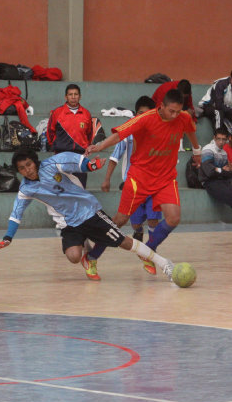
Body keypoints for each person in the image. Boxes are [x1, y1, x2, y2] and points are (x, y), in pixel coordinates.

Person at [0, 148, 174, 282]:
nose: (27, 170)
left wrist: (91, 165)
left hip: (89, 211)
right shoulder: (26, 188)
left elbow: (76, 162)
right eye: (22, 168)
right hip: (69, 222)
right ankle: (87, 251)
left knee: (125, 243)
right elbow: (17, 212)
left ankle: (164, 263)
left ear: (35, 161)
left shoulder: (52, 164)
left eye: (29, 164)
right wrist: (8, 237)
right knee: (73, 257)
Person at [86, 89, 202, 276]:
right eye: (171, 111)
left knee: (173, 217)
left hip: (165, 177)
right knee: (120, 220)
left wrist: (197, 151)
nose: (174, 115)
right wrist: (99, 146)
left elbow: (190, 131)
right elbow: (119, 135)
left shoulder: (183, 117)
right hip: (139, 177)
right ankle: (92, 257)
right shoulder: (145, 118)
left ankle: (148, 251)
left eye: (177, 111)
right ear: (161, 106)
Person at [101, 96, 161, 249]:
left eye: (147, 114)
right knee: (134, 221)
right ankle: (138, 231)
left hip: (153, 183)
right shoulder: (127, 133)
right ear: (135, 115)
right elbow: (115, 157)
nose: (143, 117)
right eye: (140, 113)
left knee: (154, 219)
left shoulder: (158, 134)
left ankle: (151, 248)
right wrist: (107, 179)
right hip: (132, 184)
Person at [47, 83, 92, 188]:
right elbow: (50, 132)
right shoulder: (57, 112)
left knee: (80, 188)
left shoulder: (86, 114)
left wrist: (85, 148)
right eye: (70, 94)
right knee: (60, 189)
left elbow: (89, 134)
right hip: (61, 155)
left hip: (80, 156)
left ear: (80, 96)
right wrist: (57, 146)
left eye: (76, 94)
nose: (73, 97)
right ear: (65, 97)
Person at [152, 79, 197, 151]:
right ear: (176, 90)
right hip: (159, 106)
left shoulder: (187, 93)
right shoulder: (164, 90)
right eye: (182, 96)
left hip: (177, 106)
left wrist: (192, 119)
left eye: (185, 97)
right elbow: (159, 109)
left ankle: (180, 142)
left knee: (188, 113)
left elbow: (190, 106)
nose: (184, 98)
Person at [198, 128, 232, 207]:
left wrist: (219, 170)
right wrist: (222, 170)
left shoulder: (224, 153)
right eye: (218, 139)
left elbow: (228, 172)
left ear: (227, 140)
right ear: (214, 138)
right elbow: (210, 172)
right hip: (209, 181)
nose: (221, 142)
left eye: (223, 139)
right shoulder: (208, 150)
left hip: (222, 180)